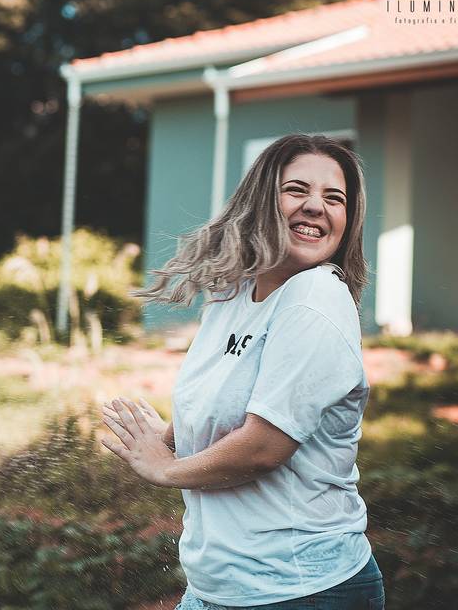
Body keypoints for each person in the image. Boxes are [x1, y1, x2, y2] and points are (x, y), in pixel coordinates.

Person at [102, 134, 385, 609]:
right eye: (297, 190)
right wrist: (170, 436)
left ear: (346, 220)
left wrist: (165, 468)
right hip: (219, 588)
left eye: (334, 198)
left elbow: (263, 447)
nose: (316, 206)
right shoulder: (233, 294)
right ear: (262, 200)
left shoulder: (317, 297)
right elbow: (229, 397)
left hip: (300, 589)